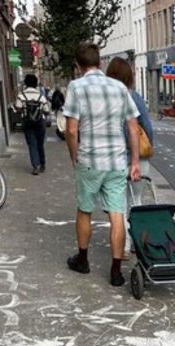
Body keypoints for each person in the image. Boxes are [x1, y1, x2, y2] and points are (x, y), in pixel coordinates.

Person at [62, 42, 141, 287]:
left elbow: (72, 130)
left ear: (78, 66)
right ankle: (116, 271)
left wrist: (74, 156)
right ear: (99, 62)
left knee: (85, 209)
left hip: (90, 160)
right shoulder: (120, 88)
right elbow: (133, 127)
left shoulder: (76, 87)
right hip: (117, 161)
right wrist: (135, 161)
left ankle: (83, 260)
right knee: (117, 214)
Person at [106, 56, 154, 256]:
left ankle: (122, 248)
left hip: (114, 159)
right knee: (137, 202)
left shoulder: (106, 98)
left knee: (118, 205)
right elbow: (147, 127)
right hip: (137, 159)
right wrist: (148, 146)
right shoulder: (134, 97)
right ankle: (137, 243)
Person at [15, 73, 50, 175]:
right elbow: (47, 110)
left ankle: (35, 165)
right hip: (40, 122)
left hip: (27, 122)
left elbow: (18, 109)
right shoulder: (41, 97)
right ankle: (42, 164)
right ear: (36, 83)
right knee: (40, 144)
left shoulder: (21, 96)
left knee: (32, 144)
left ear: (25, 83)